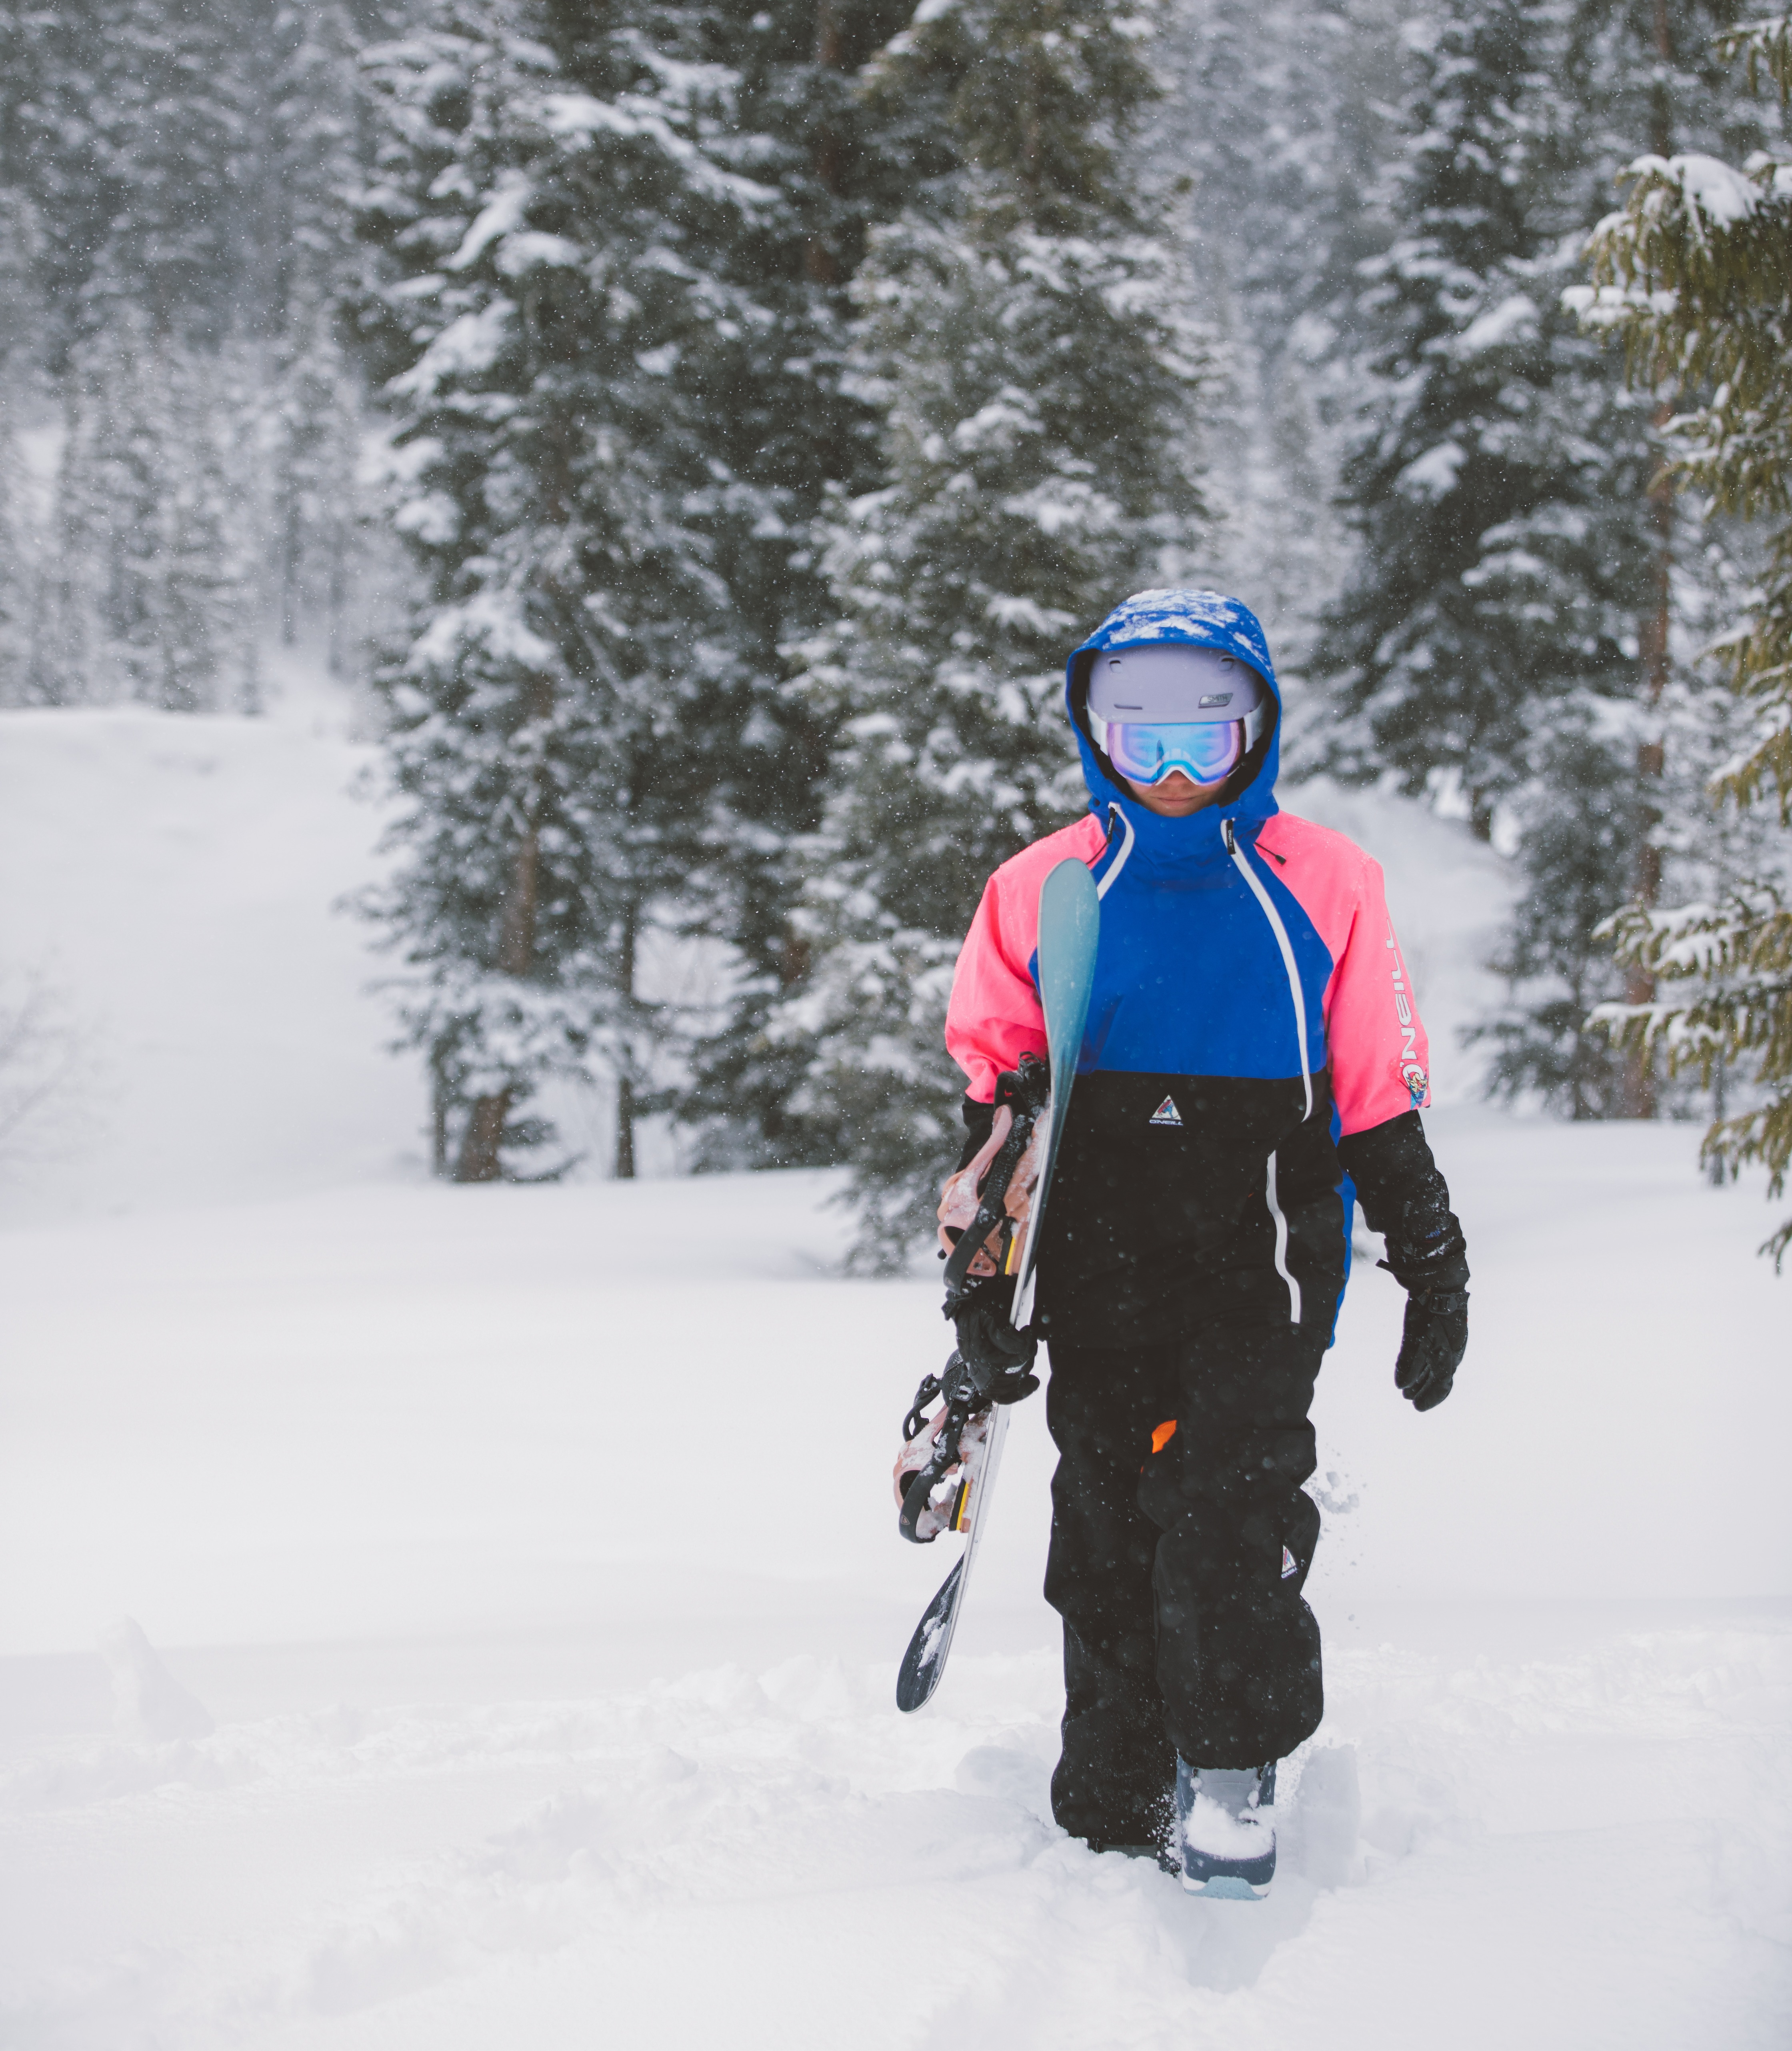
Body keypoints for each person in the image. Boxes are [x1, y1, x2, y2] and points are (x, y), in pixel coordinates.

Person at [934, 590, 1470, 1898]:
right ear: (1093, 734)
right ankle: (1116, 1766)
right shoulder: (1041, 891)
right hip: (1100, 1258)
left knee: (1224, 1501)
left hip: (1264, 1257)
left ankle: (1233, 1764)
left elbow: (1375, 1091)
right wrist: (981, 1284)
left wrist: (1428, 1247)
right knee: (1110, 1514)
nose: (1170, 773)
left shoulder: (1326, 882)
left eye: (1202, 739)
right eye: (1137, 740)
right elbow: (997, 1114)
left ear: (1258, 728)